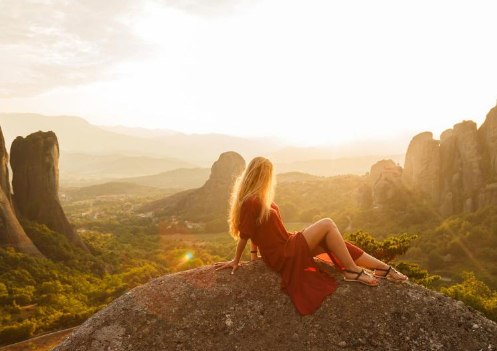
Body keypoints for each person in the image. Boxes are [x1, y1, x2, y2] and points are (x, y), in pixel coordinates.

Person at [215, 157, 407, 315]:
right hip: (283, 253)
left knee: (333, 241)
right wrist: (236, 260)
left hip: (287, 243)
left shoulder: (259, 198)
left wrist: (255, 256)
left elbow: (257, 230)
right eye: (268, 175)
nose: (270, 179)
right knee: (328, 223)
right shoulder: (251, 201)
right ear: (260, 175)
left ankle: (383, 268)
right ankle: (352, 270)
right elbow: (245, 234)